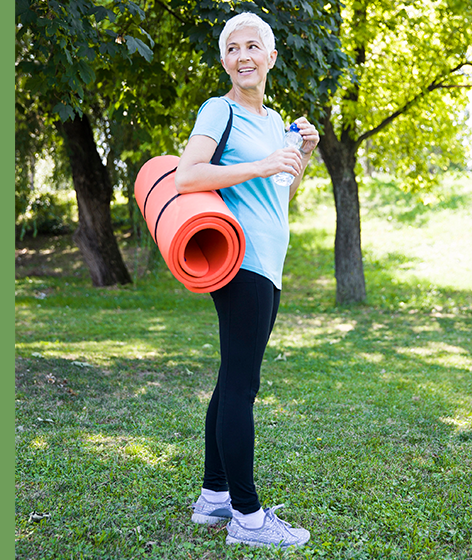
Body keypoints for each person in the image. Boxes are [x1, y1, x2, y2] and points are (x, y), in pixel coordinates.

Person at [174, 12, 319, 549]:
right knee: (242, 387)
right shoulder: (219, 109)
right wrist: (260, 165)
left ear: (271, 57)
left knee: (231, 379)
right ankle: (248, 519)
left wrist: (300, 154)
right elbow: (188, 174)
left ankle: (214, 498)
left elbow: (279, 197)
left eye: (253, 46)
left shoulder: (275, 120)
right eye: (232, 48)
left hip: (267, 263)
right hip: (241, 264)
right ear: (223, 61)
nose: (243, 56)